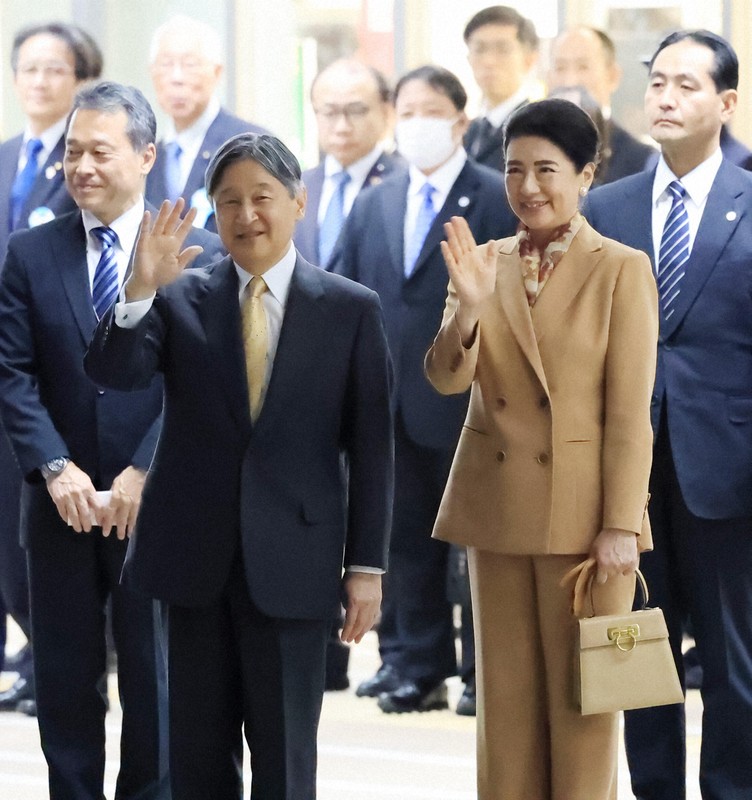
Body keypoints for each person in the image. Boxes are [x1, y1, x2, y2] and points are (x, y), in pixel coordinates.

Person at [84, 132, 394, 800]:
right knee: (196, 760)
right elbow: (113, 371)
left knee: (285, 763)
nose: (246, 215)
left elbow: (371, 451)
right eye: (228, 202)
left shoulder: (350, 309)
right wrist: (139, 286)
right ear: (212, 213)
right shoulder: (179, 296)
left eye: (262, 198)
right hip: (192, 560)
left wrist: (366, 568)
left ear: (298, 201)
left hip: (295, 562)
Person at [425, 97, 658, 799]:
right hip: (495, 513)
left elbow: (629, 412)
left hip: (587, 524)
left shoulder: (622, 268)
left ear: (587, 173)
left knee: (584, 709)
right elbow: (444, 377)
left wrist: (621, 523)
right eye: (515, 170)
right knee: (505, 707)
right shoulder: (481, 262)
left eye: (547, 170)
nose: (528, 187)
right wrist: (466, 308)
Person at [0, 80, 222, 800]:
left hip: (153, 506)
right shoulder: (29, 252)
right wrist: (55, 468)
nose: (82, 167)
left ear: (146, 154)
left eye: (100, 151)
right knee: (64, 683)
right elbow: (12, 371)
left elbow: (206, 385)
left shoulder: (198, 254)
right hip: (57, 502)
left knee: (158, 683)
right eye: (71, 152)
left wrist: (142, 471)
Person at [584, 29, 752, 800]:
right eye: (657, 83)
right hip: (627, 483)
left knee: (733, 666)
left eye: (687, 85)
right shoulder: (607, 207)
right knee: (635, 654)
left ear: (726, 102)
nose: (666, 97)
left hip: (731, 472)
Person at [333, 65, 515, 716]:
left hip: (470, 398)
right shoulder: (377, 197)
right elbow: (345, 290)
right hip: (389, 398)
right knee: (401, 539)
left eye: (430, 111)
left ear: (461, 122)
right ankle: (416, 662)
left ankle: (482, 672)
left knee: (476, 547)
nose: (416, 124)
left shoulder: (493, 194)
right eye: (405, 110)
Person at [0, 20, 103, 718]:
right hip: (7, 365)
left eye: (54, 69)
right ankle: (28, 655)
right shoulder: (6, 155)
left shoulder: (85, 165)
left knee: (44, 526)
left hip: (58, 369)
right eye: (28, 69)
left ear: (80, 80)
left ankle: (51, 661)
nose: (39, 81)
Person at [145, 15, 269, 228]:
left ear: (217, 72)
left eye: (190, 65)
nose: (177, 77)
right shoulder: (149, 155)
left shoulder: (250, 144)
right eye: (166, 64)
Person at [294, 58, 404, 273]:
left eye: (356, 111)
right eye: (329, 112)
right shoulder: (297, 185)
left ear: (386, 113)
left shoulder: (404, 185)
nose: (342, 126)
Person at [547, 26, 657, 184]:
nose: (570, 81)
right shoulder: (524, 152)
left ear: (613, 76)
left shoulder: (642, 162)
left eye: (583, 67)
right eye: (560, 68)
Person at [462, 6, 539, 171]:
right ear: (469, 58)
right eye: (479, 49)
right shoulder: (467, 131)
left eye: (502, 49)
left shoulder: (539, 129)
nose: (489, 61)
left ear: (529, 59)